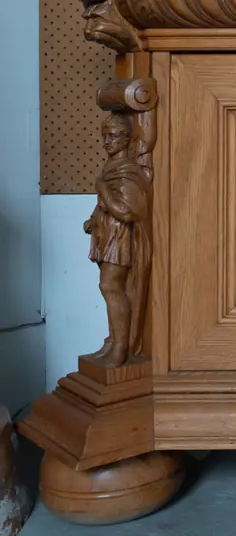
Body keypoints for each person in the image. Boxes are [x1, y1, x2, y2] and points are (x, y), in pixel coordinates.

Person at [84, 113, 151, 367]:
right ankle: (113, 340)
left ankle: (121, 348)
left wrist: (102, 189)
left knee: (111, 287)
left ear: (126, 139)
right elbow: (106, 204)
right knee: (108, 288)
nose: (107, 142)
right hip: (106, 234)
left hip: (120, 238)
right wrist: (93, 219)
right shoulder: (111, 167)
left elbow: (128, 211)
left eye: (112, 136)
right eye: (104, 136)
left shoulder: (128, 172)